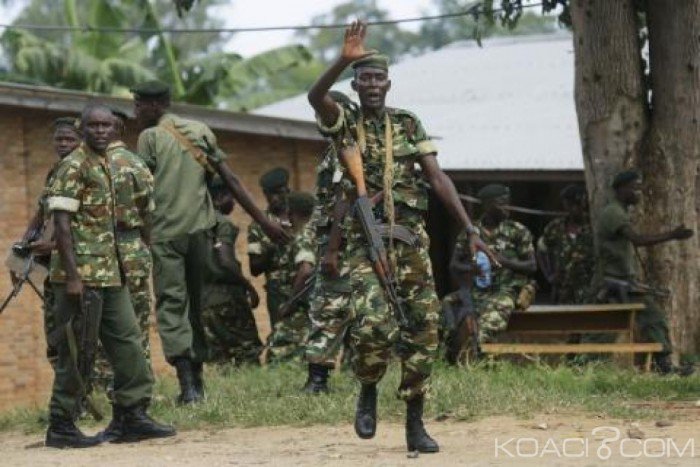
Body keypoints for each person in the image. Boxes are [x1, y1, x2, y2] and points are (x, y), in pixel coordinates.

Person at [307, 21, 490, 453]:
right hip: (360, 242)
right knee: (372, 325)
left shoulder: (407, 123)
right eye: (364, 78)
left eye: (377, 78)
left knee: (424, 328)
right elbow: (316, 98)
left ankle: (414, 420)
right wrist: (341, 60)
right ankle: (368, 386)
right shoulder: (344, 119)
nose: (371, 85)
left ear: (388, 84)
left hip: (408, 242)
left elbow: (437, 177)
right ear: (356, 83)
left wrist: (469, 228)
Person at [132, 80, 289, 404]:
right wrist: (264, 222)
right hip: (202, 232)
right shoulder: (199, 130)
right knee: (195, 305)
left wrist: (142, 233)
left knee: (172, 306)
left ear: (152, 105)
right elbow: (230, 179)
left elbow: (140, 191)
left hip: (167, 235)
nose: (135, 112)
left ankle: (189, 385)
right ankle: (197, 382)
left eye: (138, 106)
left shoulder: (149, 137)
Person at [44, 104, 174, 448]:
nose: (101, 131)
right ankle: (61, 424)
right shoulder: (72, 166)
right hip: (81, 276)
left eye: (106, 126)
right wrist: (72, 277)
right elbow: (61, 224)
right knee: (78, 350)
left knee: (129, 343)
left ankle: (131, 416)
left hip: (112, 272)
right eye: (94, 126)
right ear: (82, 127)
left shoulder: (109, 165)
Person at [592, 170, 694, 374]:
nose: (639, 192)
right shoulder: (614, 212)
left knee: (611, 327)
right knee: (652, 318)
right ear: (622, 189)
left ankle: (662, 365)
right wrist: (672, 235)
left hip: (620, 281)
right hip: (613, 282)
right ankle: (664, 366)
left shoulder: (618, 211)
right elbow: (637, 239)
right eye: (635, 187)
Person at [92, 109, 155, 391]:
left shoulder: (89, 163)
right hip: (133, 248)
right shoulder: (137, 164)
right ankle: (143, 387)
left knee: (105, 326)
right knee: (138, 325)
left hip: (99, 252)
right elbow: (149, 213)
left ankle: (111, 388)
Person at [12, 118, 82, 368]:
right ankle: (65, 399)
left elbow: (90, 228)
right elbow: (41, 214)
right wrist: (24, 246)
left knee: (79, 334)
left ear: (80, 141)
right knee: (55, 336)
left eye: (70, 139)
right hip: (53, 268)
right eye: (59, 139)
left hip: (80, 267)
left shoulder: (86, 172)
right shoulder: (55, 174)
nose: (63, 144)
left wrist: (51, 246)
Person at [452, 184, 537, 344]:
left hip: (507, 291)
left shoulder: (518, 231)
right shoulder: (471, 232)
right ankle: (450, 353)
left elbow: (532, 266)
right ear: (487, 205)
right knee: (446, 307)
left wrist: (505, 262)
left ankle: (479, 358)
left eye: (508, 202)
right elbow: (454, 265)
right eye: (502, 203)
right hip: (477, 291)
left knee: (488, 325)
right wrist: (472, 269)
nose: (507, 207)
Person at [200, 177, 263, 365]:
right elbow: (226, 261)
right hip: (228, 299)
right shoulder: (222, 223)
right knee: (248, 352)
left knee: (219, 359)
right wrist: (249, 286)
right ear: (219, 197)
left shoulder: (193, 224)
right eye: (230, 197)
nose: (234, 202)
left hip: (204, 301)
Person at [266, 191, 316, 362]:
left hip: (300, 307)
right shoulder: (317, 234)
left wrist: (290, 303)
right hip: (311, 305)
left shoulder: (303, 237)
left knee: (279, 354)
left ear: (291, 212)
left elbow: (306, 270)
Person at [247, 167, 292, 328]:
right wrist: (272, 246)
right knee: (282, 344)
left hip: (308, 289)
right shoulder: (259, 226)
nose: (274, 199)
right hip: (278, 294)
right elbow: (254, 268)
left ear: (288, 190)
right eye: (270, 194)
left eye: (279, 192)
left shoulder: (303, 216)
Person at [537, 185, 594, 304]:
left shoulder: (594, 227)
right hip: (562, 291)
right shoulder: (556, 227)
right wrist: (549, 275)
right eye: (567, 205)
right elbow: (541, 250)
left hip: (589, 289)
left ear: (583, 204)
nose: (572, 209)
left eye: (575, 205)